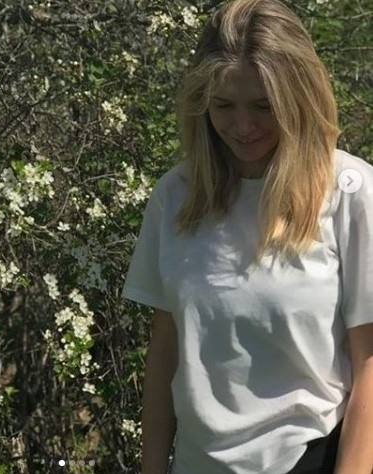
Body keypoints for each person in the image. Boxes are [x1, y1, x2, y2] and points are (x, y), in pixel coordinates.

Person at [121, 0, 373, 473]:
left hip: (307, 458)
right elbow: (166, 352)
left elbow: (370, 368)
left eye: (264, 106)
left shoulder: (350, 192)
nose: (242, 126)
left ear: (299, 98)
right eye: (224, 105)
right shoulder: (176, 196)